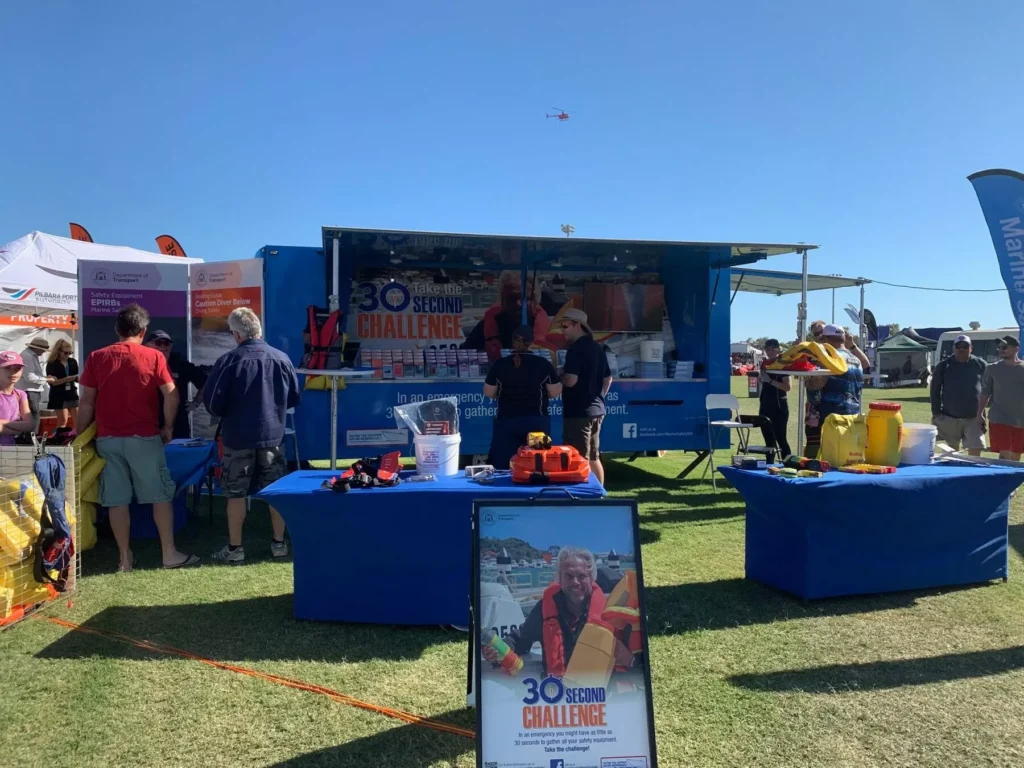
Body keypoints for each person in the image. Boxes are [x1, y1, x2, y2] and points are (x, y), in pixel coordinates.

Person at [77, 303, 198, 571]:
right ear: (143, 331)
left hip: (107, 439)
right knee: (160, 496)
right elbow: (171, 394)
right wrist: (167, 428)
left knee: (117, 500)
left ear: (117, 329)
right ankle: (169, 554)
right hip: (144, 437)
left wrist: (78, 436)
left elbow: (86, 403)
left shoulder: (97, 357)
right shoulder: (154, 357)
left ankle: (125, 559)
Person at [204, 307, 301, 564]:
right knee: (275, 492)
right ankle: (279, 544)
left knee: (235, 494)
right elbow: (293, 398)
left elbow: (213, 403)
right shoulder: (282, 358)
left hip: (238, 437)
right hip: (273, 437)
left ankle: (236, 549)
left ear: (236, 334)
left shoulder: (228, 361)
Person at [483, 547, 635, 674]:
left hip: (598, 698)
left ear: (592, 578)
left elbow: (638, 656)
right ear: (559, 579)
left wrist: (629, 659)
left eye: (582, 576)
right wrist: (497, 653)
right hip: (556, 697)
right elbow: (519, 639)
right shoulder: (544, 609)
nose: (575, 582)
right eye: (568, 576)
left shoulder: (609, 611)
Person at [482, 325, 562, 468]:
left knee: (503, 466)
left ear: (512, 343)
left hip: (507, 422)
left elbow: (489, 392)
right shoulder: (543, 364)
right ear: (531, 343)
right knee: (539, 463)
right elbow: (555, 391)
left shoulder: (500, 365)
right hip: (537, 422)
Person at [560, 309, 612, 484]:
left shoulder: (576, 349)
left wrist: (559, 374)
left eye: (565, 325)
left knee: (577, 457)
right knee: (593, 456)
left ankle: (581, 496)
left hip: (578, 412)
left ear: (578, 326)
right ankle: (599, 493)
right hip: (596, 410)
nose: (562, 330)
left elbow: (571, 381)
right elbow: (608, 378)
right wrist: (599, 396)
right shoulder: (597, 347)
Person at [805, 324, 867, 457]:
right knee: (845, 452)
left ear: (826, 339)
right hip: (852, 412)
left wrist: (808, 382)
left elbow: (817, 383)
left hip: (831, 414)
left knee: (829, 453)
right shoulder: (856, 359)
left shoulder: (830, 357)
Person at [930, 334, 987, 456]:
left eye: (965, 346)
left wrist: (982, 414)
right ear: (953, 348)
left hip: (974, 417)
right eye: (958, 346)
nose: (962, 349)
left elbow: (988, 388)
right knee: (951, 454)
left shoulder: (980, 364)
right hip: (949, 417)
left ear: (971, 348)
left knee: (976, 450)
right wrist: (936, 413)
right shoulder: (943, 365)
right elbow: (935, 390)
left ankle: (971, 473)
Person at [145, 330, 208, 439]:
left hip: (178, 425)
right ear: (148, 346)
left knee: (180, 454)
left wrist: (195, 403)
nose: (164, 347)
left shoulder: (180, 364)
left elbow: (205, 382)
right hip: (149, 424)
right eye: (159, 343)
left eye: (167, 343)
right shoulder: (142, 363)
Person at [977, 335, 1024, 461]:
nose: (1001, 350)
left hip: (1021, 420)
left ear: (1016, 349)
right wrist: (980, 413)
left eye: (1004, 347)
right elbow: (985, 392)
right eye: (999, 348)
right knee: (1005, 455)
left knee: (1016, 455)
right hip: (999, 418)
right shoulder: (992, 368)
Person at [757, 339, 792, 459]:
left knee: (781, 439)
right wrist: (761, 379)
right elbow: (762, 382)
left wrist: (770, 381)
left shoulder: (782, 364)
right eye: (767, 349)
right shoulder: (765, 364)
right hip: (765, 405)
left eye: (771, 349)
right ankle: (769, 467)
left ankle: (788, 464)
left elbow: (787, 387)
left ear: (777, 349)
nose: (769, 351)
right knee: (768, 441)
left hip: (779, 406)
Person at [16, 337, 53, 433]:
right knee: (33, 414)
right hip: (29, 390)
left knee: (31, 414)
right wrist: (46, 379)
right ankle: (31, 436)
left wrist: (44, 377)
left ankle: (30, 436)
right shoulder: (27, 356)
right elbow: (30, 377)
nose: (44, 352)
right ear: (37, 348)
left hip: (30, 390)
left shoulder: (29, 355)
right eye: (43, 350)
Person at [0, 351, 35, 445]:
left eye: (18, 368)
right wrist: (16, 431)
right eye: (7, 368)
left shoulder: (20, 394)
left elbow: (29, 424)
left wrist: (2, 422)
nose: (13, 372)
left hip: (13, 448)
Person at [45, 339, 80, 429]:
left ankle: (76, 439)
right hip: (58, 394)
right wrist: (66, 379)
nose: (68, 355)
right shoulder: (52, 363)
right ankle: (59, 440)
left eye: (70, 353)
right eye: (65, 353)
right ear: (58, 351)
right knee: (63, 421)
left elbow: (76, 377)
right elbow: (52, 383)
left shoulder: (72, 361)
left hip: (71, 392)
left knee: (78, 420)